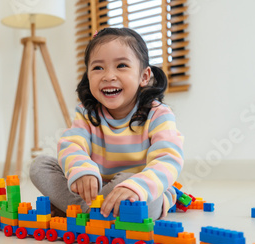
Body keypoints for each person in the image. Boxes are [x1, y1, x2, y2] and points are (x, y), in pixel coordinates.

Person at [30, 27, 184, 220]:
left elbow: (168, 159)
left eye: (121, 66)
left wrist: (137, 187)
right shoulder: (87, 113)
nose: (108, 76)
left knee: (147, 202)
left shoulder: (158, 114)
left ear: (144, 76)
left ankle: (82, 211)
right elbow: (72, 144)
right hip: (97, 188)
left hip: (140, 188)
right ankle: (99, 211)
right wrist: (83, 169)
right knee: (40, 166)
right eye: (98, 68)